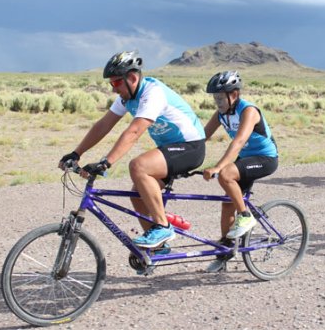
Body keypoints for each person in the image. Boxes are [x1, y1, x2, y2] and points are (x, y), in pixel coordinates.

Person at [58, 50, 206, 249]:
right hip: (170, 149)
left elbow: (134, 131)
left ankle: (163, 227)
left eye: (117, 83)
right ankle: (157, 249)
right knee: (137, 196)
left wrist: (106, 162)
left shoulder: (153, 93)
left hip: (191, 147)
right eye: (111, 84)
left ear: (133, 78)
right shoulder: (127, 98)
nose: (114, 89)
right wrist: (77, 153)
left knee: (138, 166)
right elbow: (104, 125)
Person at [201, 71, 278, 272]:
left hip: (265, 158)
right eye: (214, 97)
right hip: (246, 158)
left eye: (220, 97)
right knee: (227, 204)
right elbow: (202, 137)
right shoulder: (221, 115)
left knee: (226, 175)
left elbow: (239, 141)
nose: (217, 101)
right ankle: (226, 252)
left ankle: (245, 215)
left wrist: (218, 167)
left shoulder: (248, 110)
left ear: (233, 94)